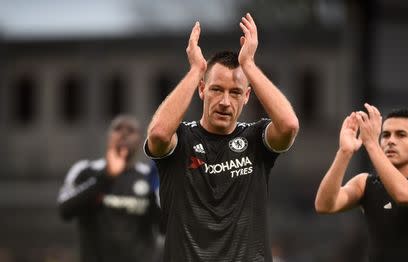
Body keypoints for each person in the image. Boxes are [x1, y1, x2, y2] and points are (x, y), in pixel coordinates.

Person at [144, 13, 299, 261]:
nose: (225, 102)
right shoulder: (182, 139)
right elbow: (159, 134)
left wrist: (249, 65)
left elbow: (289, 125)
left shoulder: (255, 139)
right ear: (203, 90)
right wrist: (196, 70)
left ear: (247, 96)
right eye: (216, 89)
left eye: (235, 92)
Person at [315, 103, 408, 262]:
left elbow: (403, 194)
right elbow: (324, 205)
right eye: (385, 135)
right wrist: (344, 152)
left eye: (401, 135)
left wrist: (371, 143)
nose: (391, 141)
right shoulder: (365, 183)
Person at [57, 115, 162, 262]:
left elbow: (164, 226)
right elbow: (64, 209)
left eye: (130, 130)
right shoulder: (85, 171)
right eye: (118, 128)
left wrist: (155, 190)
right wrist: (107, 177)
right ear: (108, 136)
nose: (124, 134)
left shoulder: (148, 176)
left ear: (140, 140)